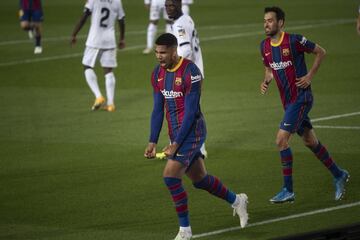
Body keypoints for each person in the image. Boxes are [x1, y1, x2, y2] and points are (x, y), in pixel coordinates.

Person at [144, 33, 248, 240]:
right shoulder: (157, 74)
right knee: (200, 179)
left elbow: (191, 113)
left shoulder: (191, 72)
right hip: (176, 134)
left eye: (163, 52)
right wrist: (152, 140)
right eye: (156, 52)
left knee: (170, 177)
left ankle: (185, 231)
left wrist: (175, 144)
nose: (158, 56)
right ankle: (237, 200)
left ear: (174, 51)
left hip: (193, 131)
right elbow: (157, 110)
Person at [259, 6, 349, 203]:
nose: (266, 24)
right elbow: (269, 69)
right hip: (288, 102)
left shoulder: (294, 40)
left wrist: (310, 76)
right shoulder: (264, 46)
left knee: (281, 140)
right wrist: (266, 81)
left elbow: (320, 52)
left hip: (302, 98)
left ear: (280, 23)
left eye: (270, 20)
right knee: (310, 141)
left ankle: (288, 190)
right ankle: (339, 174)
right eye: (265, 20)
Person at [71, 0, 126, 112]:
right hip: (110, 40)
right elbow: (121, 20)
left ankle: (99, 96)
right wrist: (122, 38)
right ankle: (111, 104)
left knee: (87, 66)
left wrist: (74, 34)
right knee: (108, 71)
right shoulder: (117, 1)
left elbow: (84, 16)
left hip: (94, 40)